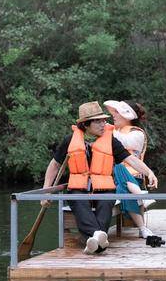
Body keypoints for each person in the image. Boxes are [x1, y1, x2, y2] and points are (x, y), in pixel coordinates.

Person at [41, 101, 159, 255]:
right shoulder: (70, 140)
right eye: (98, 121)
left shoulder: (110, 140)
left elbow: (131, 159)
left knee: (105, 202)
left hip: (104, 189)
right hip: (78, 189)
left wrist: (149, 172)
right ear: (85, 124)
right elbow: (54, 165)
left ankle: (94, 240)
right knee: (78, 201)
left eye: (104, 120)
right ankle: (98, 236)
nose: (104, 123)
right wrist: (45, 191)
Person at [103, 100, 154, 239]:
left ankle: (138, 197)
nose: (113, 116)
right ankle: (142, 223)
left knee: (120, 171)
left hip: (134, 178)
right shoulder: (112, 131)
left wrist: (104, 129)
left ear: (127, 116)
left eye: (117, 113)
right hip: (114, 180)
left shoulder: (137, 134)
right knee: (121, 185)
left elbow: (121, 143)